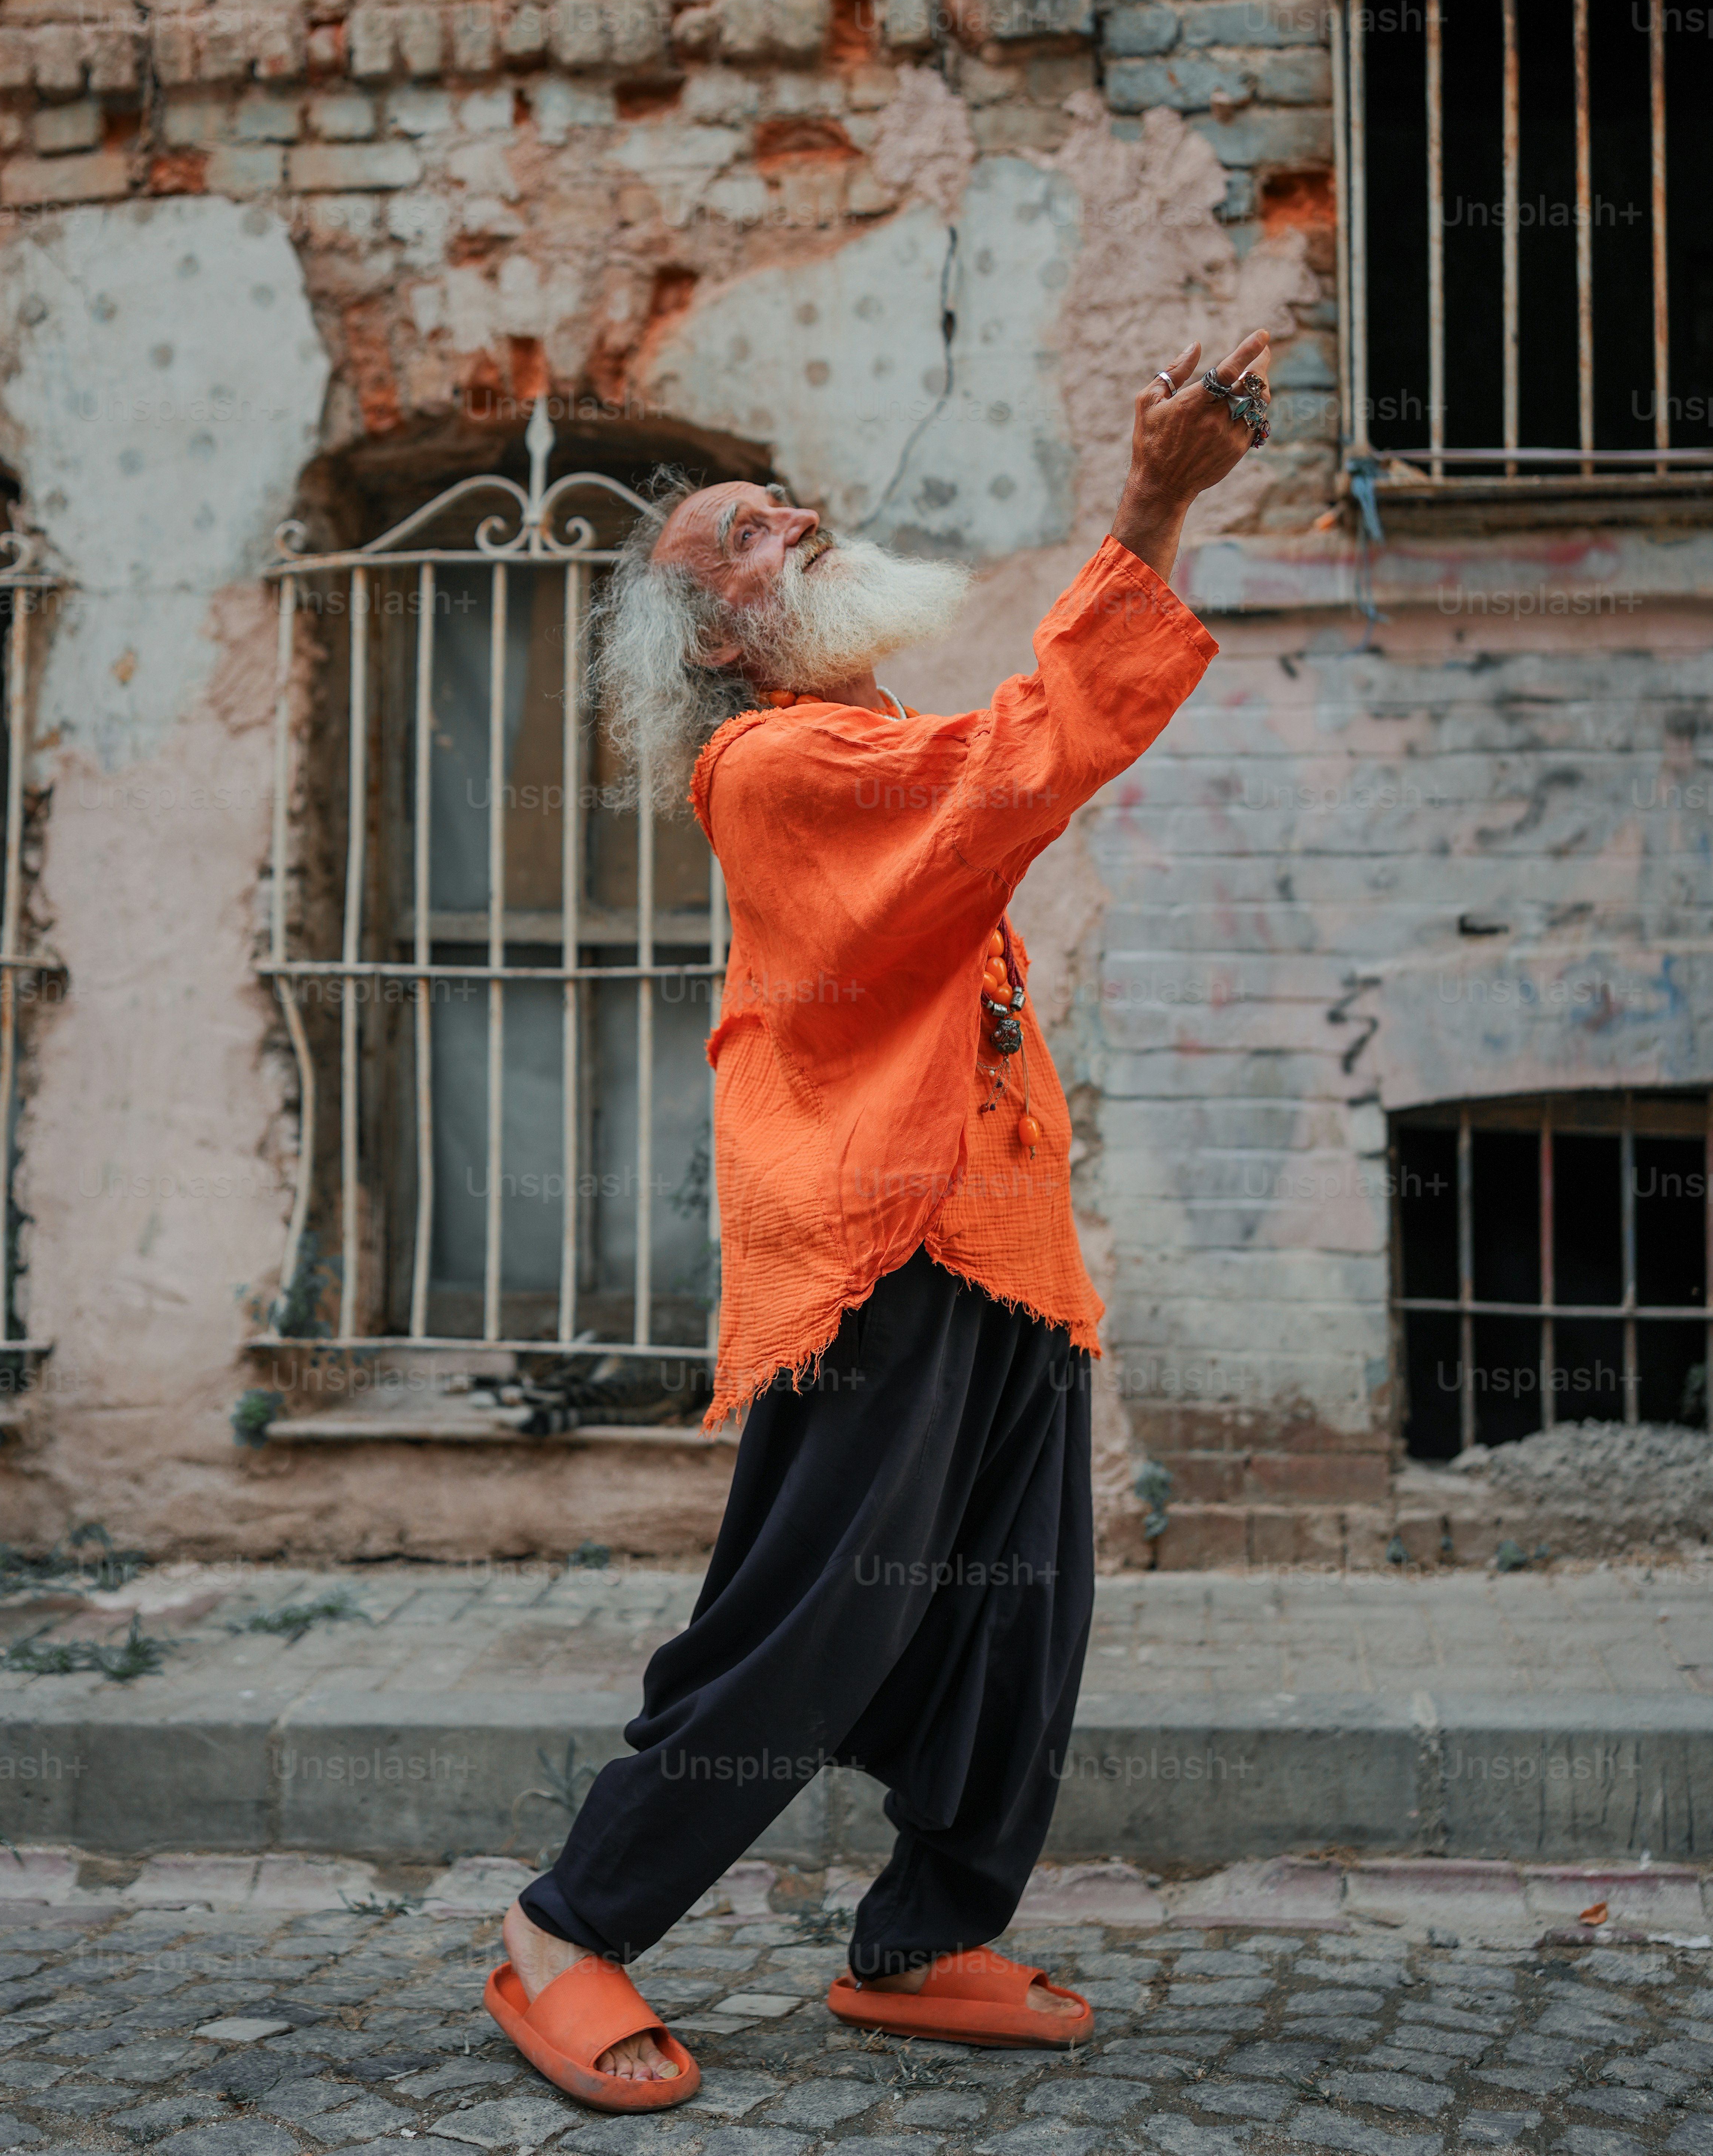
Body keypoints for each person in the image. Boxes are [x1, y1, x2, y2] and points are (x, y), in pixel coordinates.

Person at [485, 331, 1273, 2110]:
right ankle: (560, 1927)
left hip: (1000, 1237)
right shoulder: (769, 765)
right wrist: (1149, 502)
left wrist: (1154, 514)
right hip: (880, 1243)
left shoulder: (867, 733)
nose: (797, 519)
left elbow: (1001, 770)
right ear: (716, 638)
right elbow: (1023, 762)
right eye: (749, 532)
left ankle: (919, 1939)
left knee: (1017, 1616)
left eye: (781, 503)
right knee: (814, 1615)